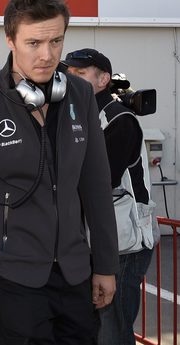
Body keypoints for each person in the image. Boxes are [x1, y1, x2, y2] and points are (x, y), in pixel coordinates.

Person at [0, 1, 120, 344]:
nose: (47, 54)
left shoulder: (80, 95)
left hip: (74, 271)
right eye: (34, 43)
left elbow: (97, 188)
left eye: (56, 41)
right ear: (10, 39)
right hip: (14, 275)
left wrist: (105, 265)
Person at [63, 48, 157, 345]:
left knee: (111, 331)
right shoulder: (80, 116)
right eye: (68, 74)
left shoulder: (119, 119)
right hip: (98, 241)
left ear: (103, 79)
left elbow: (98, 182)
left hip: (124, 245)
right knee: (93, 328)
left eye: (80, 74)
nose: (70, 80)